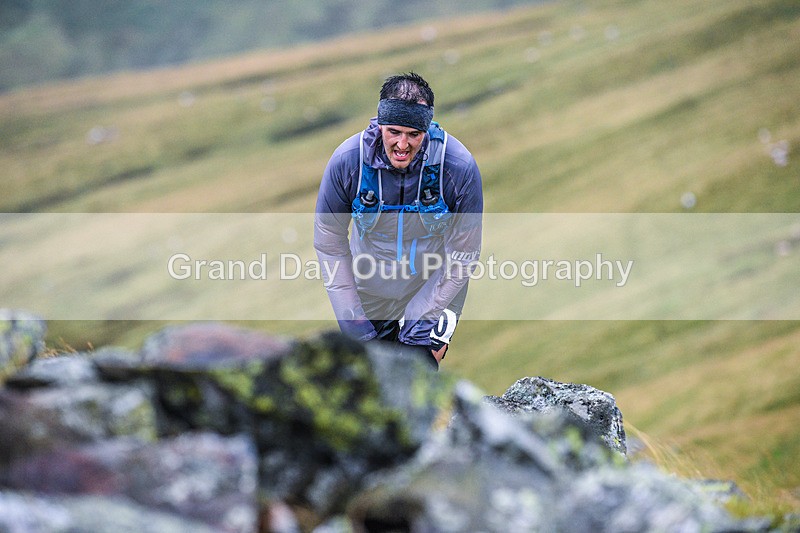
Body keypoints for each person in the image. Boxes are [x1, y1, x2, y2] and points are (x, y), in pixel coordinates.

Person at [314, 72, 483, 369]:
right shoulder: (347, 162)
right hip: (369, 291)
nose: (402, 145)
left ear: (426, 129)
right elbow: (329, 245)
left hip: (437, 285)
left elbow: (463, 254)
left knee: (419, 374)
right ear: (380, 125)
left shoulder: (457, 167)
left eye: (413, 135)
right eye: (394, 131)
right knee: (368, 382)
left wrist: (420, 326)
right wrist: (354, 322)